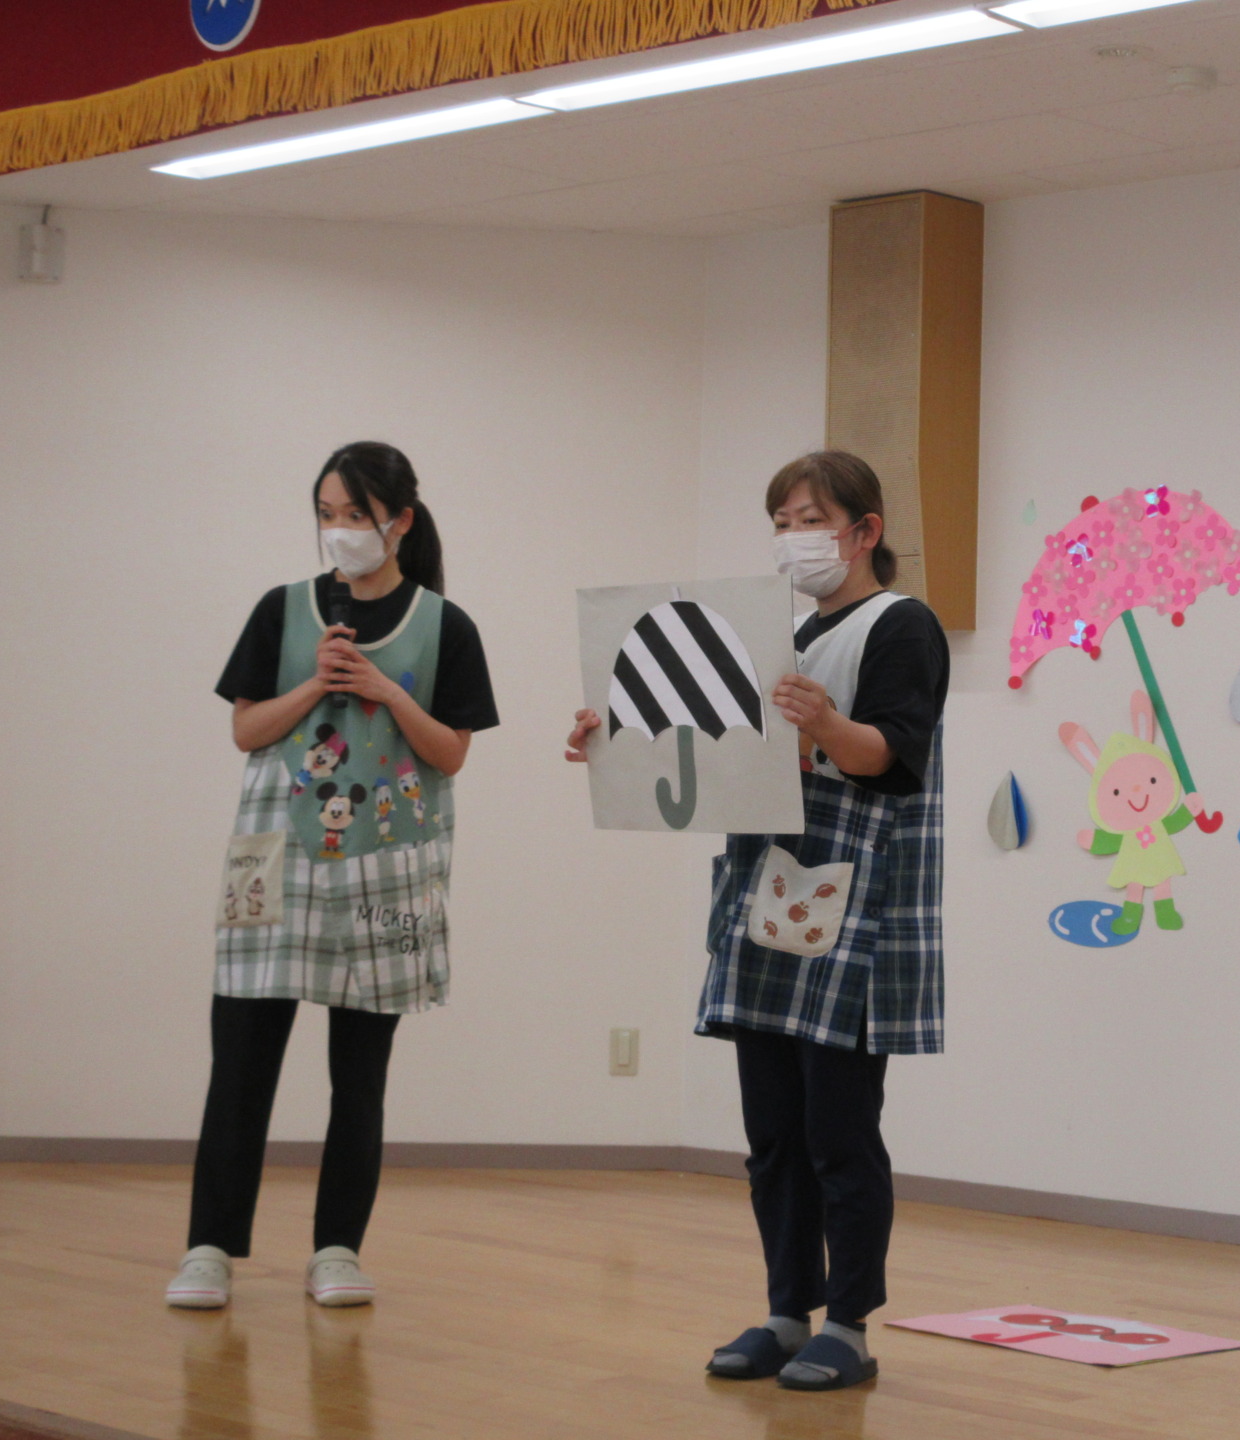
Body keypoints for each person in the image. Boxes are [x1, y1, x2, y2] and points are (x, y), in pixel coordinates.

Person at [566, 450, 949, 1391]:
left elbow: (892, 756)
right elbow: (707, 750)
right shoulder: (771, 633)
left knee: (840, 1132)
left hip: (855, 905)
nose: (792, 539)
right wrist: (614, 742)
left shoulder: (901, 626)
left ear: (865, 531)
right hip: (766, 897)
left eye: (810, 520)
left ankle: (849, 1324)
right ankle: (786, 1310)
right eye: (780, 522)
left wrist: (827, 726)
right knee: (773, 1130)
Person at [167, 442, 498, 1310]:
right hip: (275, 861)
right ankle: (208, 1248)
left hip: (390, 867)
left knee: (360, 1076)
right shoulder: (282, 610)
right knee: (241, 1063)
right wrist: (316, 684)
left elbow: (451, 754)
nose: (339, 530)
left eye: (357, 514)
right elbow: (246, 731)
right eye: (327, 514)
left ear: (401, 521)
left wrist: (388, 692)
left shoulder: (446, 625)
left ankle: (338, 1250)